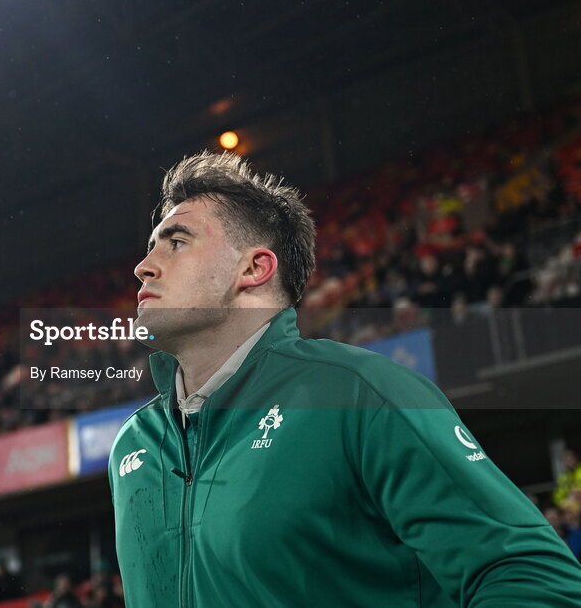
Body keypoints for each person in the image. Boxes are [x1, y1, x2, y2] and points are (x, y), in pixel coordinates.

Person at [108, 151, 581, 607]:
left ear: (254, 268)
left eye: (176, 242)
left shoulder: (357, 393)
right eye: (151, 247)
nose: (143, 265)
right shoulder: (135, 445)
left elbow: (530, 576)